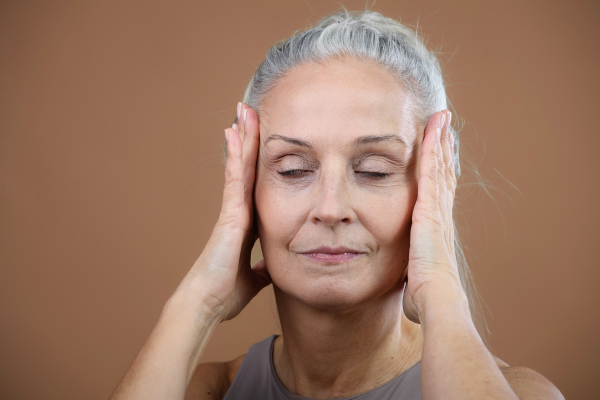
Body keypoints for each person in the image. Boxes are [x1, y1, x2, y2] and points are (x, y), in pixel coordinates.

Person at [109, 10, 564, 400]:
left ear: (432, 187)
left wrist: (440, 288)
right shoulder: (208, 391)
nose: (330, 208)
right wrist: (199, 300)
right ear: (246, 187)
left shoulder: (522, 392)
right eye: (292, 169)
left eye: (373, 171)